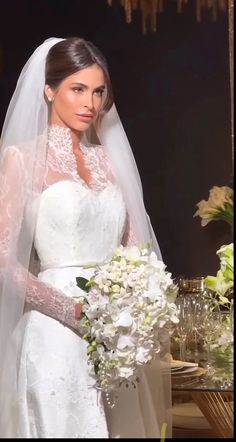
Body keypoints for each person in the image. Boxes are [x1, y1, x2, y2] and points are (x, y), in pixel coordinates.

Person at [0, 37, 171, 438]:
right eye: (77, 89)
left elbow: (134, 248)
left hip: (114, 338)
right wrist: (72, 311)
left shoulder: (110, 160)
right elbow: (3, 258)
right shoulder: (22, 157)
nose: (90, 104)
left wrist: (131, 307)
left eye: (98, 92)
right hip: (53, 335)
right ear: (49, 90)